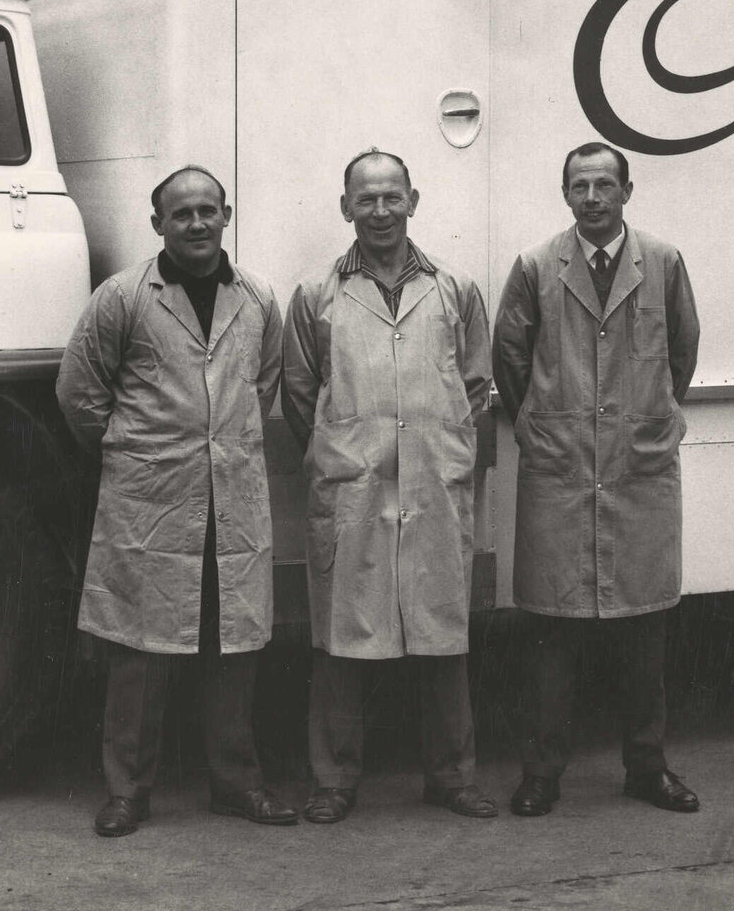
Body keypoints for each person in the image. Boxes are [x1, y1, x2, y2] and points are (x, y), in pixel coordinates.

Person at [56, 165, 298, 837]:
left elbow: (262, 384)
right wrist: (135, 449)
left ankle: (237, 783)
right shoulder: (123, 297)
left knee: (233, 645)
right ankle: (127, 791)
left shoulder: (257, 297)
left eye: (207, 211)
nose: (196, 223)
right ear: (157, 222)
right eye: (182, 213)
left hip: (231, 499)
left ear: (226, 216)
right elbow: (78, 391)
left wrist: (219, 445)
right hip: (152, 500)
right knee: (140, 650)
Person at [281, 149, 498, 823]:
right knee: (342, 638)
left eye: (392, 197)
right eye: (366, 198)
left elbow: (474, 385)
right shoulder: (316, 294)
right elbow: (299, 392)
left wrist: (441, 448)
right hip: (354, 488)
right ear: (346, 206)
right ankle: (334, 779)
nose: (380, 211)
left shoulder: (455, 288)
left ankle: (452, 776)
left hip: (433, 485)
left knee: (443, 634)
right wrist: (342, 449)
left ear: (413, 201)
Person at [491, 142, 702, 817]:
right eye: (579, 185)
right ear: (565, 194)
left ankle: (648, 767)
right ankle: (542, 773)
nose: (591, 197)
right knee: (552, 634)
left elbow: (682, 353)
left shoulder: (662, 262)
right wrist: (544, 424)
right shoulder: (535, 266)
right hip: (561, 470)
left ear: (626, 191)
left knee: (645, 632)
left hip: (638, 470)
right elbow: (509, 357)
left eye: (604, 184)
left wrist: (649, 414)